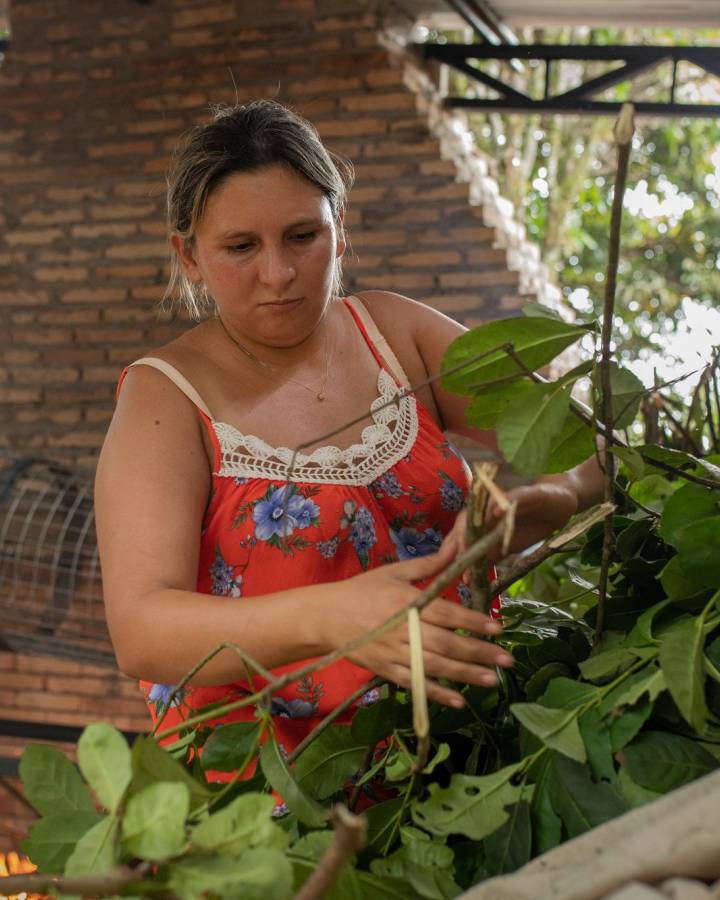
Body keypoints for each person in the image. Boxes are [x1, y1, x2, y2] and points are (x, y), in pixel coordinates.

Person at [95, 100, 603, 768]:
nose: (277, 274)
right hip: (273, 798)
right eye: (241, 247)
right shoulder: (165, 398)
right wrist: (330, 617)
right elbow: (142, 629)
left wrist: (557, 497)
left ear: (339, 228)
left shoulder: (397, 336)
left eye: (302, 236)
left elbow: (594, 448)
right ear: (189, 256)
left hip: (463, 755)